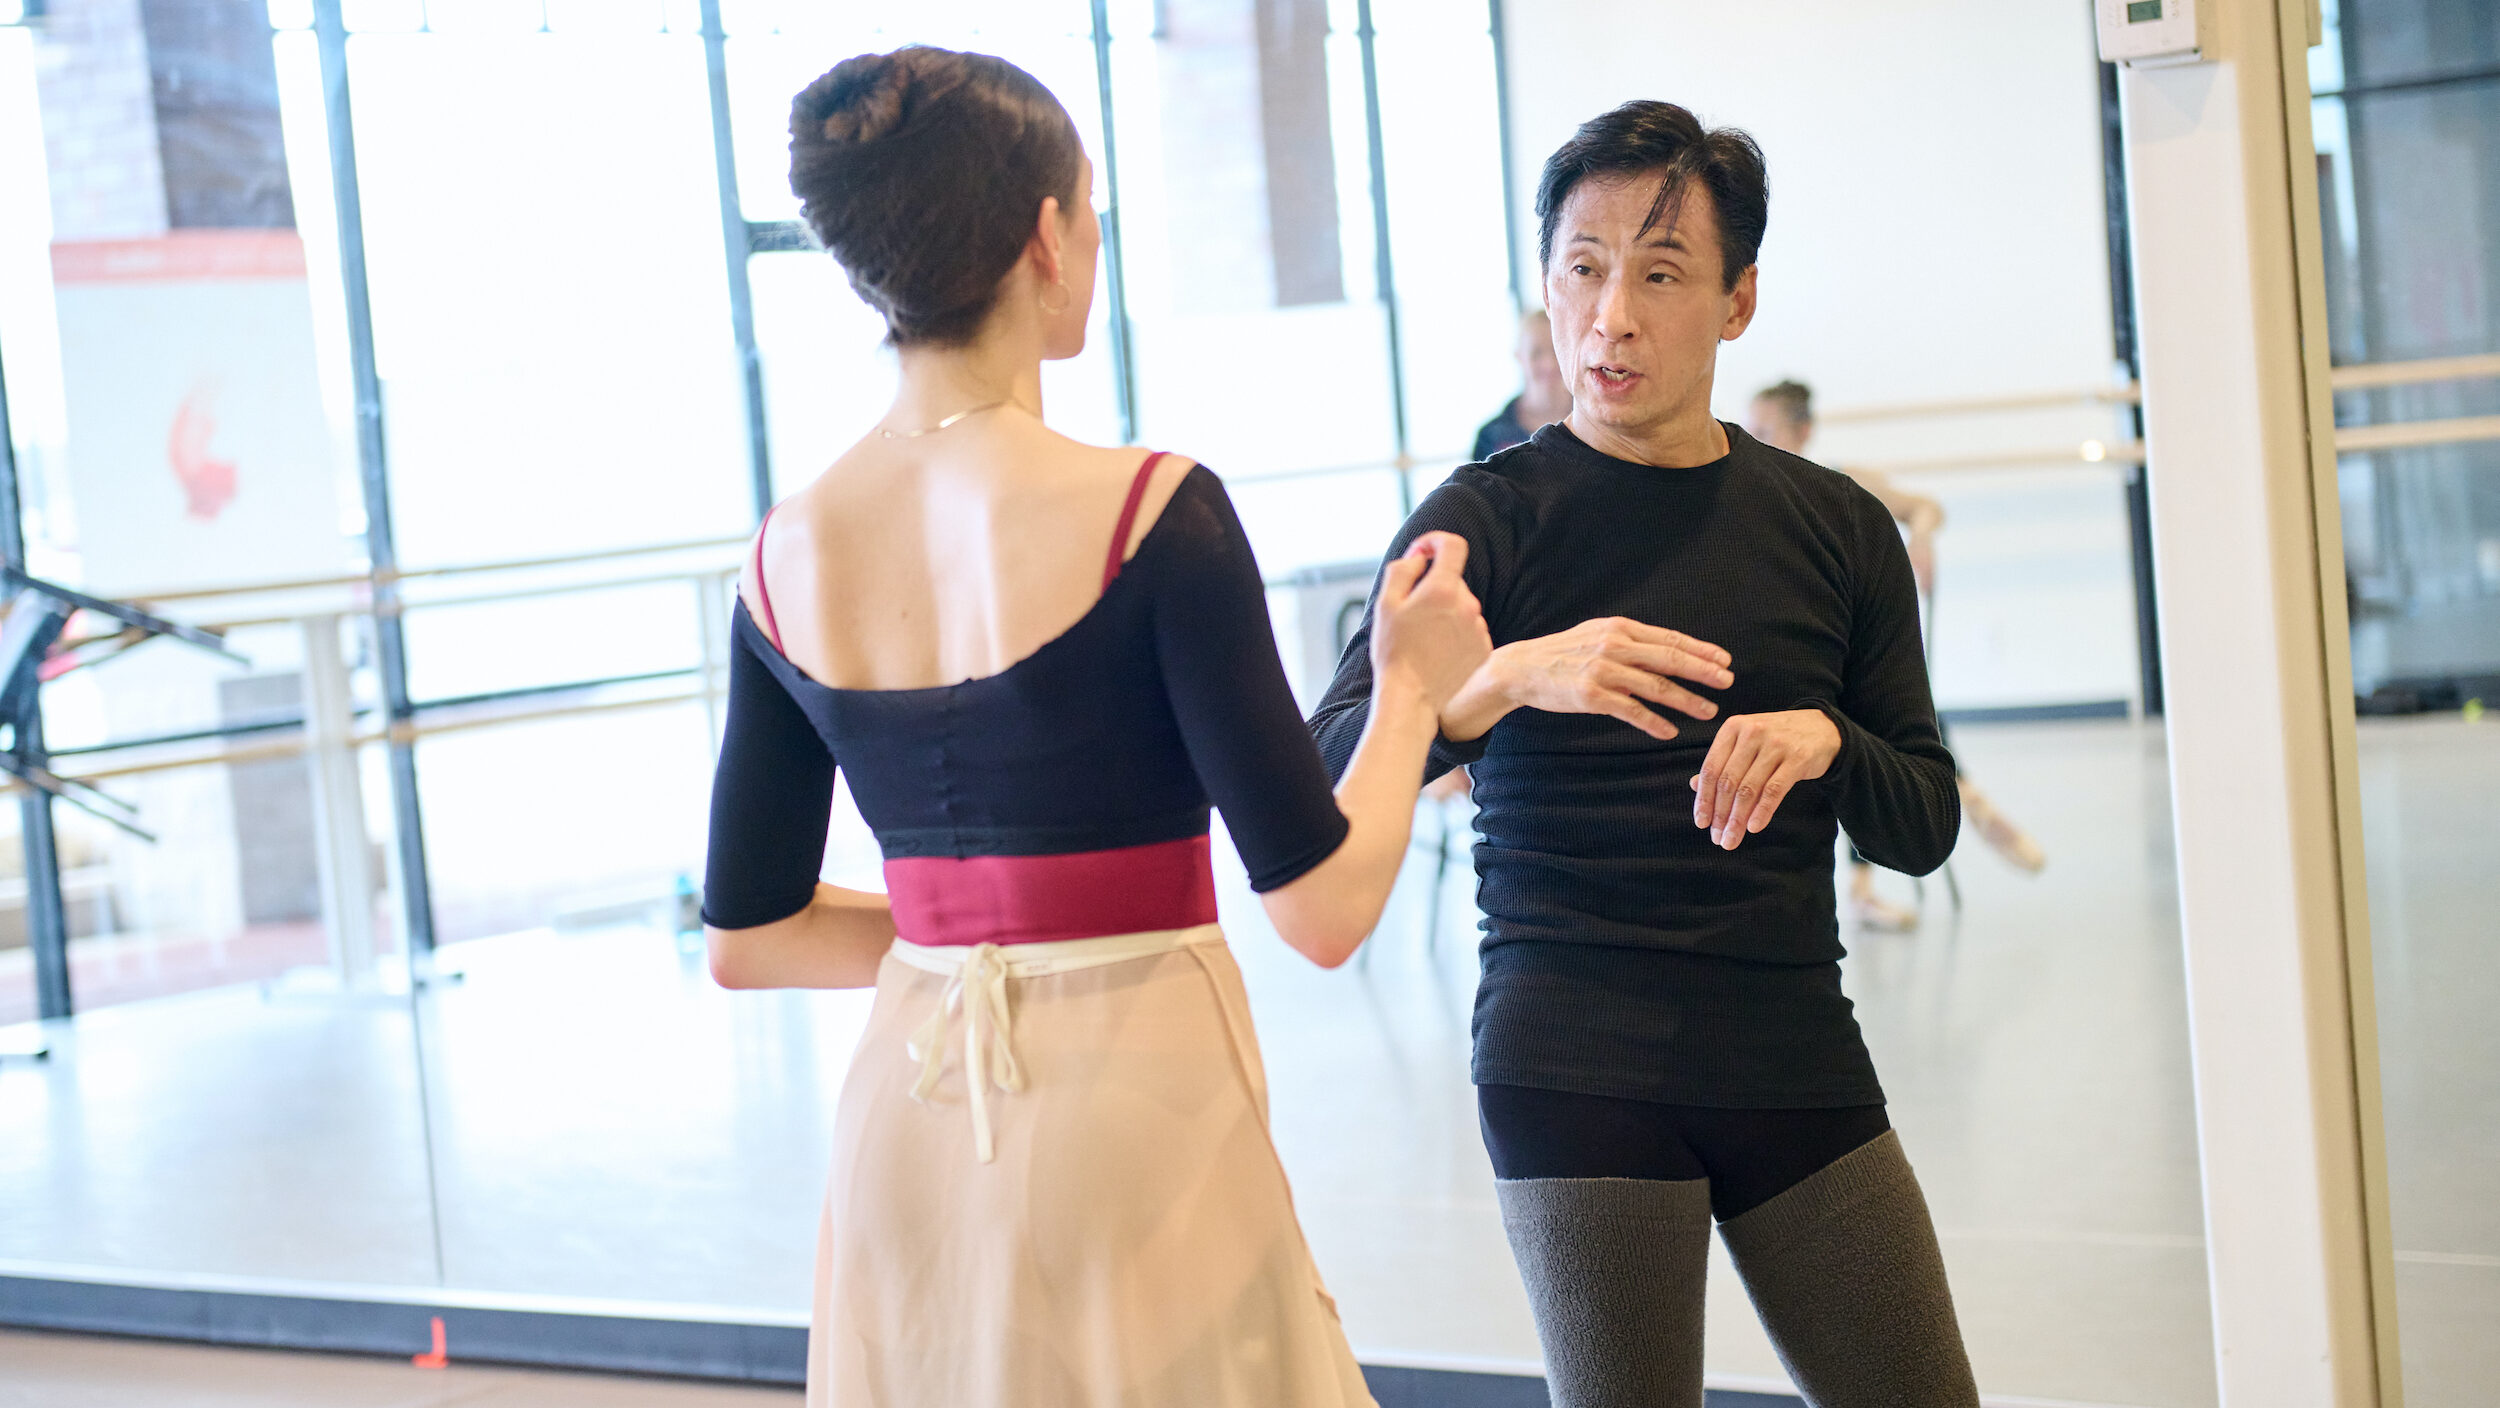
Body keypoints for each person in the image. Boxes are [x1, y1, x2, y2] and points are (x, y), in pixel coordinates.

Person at [699, 48, 1489, 1408]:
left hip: (909, 1115)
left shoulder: (787, 553)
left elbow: (749, 938)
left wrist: (970, 932)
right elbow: (1320, 910)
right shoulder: (1152, 512)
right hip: (1135, 1110)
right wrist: (1411, 688)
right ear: (1047, 238)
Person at [1310, 101, 1980, 1406]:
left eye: (1661, 273)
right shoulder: (1485, 517)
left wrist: (1831, 743)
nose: (1611, 315)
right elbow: (1330, 769)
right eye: (1583, 266)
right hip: (1573, 1053)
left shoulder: (1838, 530)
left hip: (1790, 1043)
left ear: (1736, 302)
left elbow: (1925, 823)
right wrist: (1502, 680)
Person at [1747, 379, 2049, 932]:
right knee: (1853, 731)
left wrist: (1920, 539)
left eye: (1768, 431)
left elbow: (1927, 507)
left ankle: (1944, 822)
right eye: (1752, 430)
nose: (1756, 441)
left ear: (1803, 432)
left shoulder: (1842, 487)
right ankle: (1971, 804)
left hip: (1853, 653)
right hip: (1804, 664)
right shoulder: (1745, 492)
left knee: (1881, 722)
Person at [1472, 307, 1572, 461]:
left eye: (1556, 350)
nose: (1549, 364)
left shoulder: (1596, 425)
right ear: (1519, 356)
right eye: (1536, 353)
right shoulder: (1491, 436)